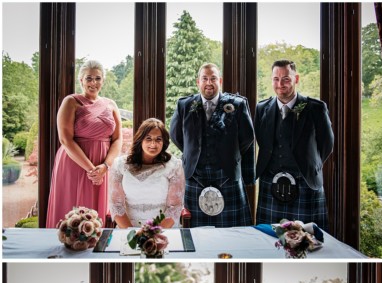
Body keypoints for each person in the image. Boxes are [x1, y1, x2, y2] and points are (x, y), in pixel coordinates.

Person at [170, 63, 255, 227]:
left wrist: (230, 153)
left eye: (213, 78)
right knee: (195, 233)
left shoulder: (237, 104)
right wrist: (194, 151)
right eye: (205, 78)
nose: (209, 83)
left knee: (234, 233)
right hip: (195, 176)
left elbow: (247, 137)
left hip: (227, 175)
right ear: (198, 82)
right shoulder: (185, 105)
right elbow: (176, 136)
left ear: (220, 81)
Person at [254, 60, 334, 231]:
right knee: (268, 238)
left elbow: (327, 144)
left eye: (286, 79)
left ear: (296, 79)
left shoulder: (315, 108)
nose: (280, 84)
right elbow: (262, 141)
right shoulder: (262, 108)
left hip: (305, 182)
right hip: (270, 182)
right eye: (276, 79)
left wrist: (310, 166)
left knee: (308, 241)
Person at [46, 60, 123, 228]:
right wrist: (91, 169)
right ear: (81, 80)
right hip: (74, 164)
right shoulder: (71, 102)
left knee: (98, 215)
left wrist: (105, 167)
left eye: (97, 78)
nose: (93, 83)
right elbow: (65, 139)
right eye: (89, 78)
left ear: (103, 80)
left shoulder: (111, 104)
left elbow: (118, 139)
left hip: (103, 166)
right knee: (71, 211)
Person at [108, 118, 184, 228]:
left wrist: (153, 235)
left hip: (163, 229)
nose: (153, 144)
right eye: (148, 138)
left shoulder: (174, 166)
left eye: (158, 139)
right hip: (127, 229)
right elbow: (116, 205)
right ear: (140, 140)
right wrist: (132, 234)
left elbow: (174, 207)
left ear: (164, 142)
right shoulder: (119, 165)